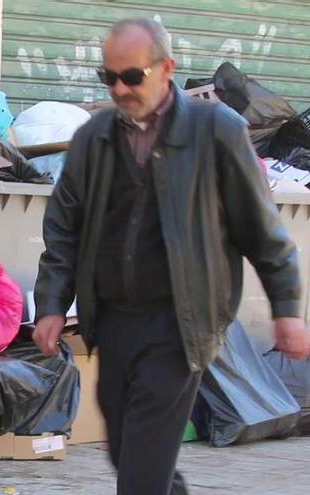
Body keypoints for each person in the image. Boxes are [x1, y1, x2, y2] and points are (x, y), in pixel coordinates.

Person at [32, 17, 310, 495]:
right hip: (114, 320)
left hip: (182, 323)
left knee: (142, 463)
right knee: (126, 450)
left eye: (132, 76)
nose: (120, 88)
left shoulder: (217, 131)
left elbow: (262, 232)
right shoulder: (94, 138)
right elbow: (64, 229)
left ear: (165, 68)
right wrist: (53, 303)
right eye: (108, 77)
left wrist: (287, 311)